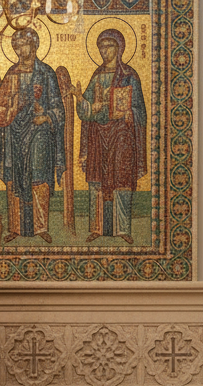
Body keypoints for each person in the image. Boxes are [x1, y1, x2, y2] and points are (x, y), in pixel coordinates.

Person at [0, 27, 66, 244]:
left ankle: (40, 227)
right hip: (14, 134)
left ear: (35, 45)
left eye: (25, 45)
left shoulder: (46, 73)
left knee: (39, 177)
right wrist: (10, 110)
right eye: (17, 46)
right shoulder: (11, 74)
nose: (21, 50)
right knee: (15, 178)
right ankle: (15, 226)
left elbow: (60, 110)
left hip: (40, 134)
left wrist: (46, 116)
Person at [72, 28, 147, 244]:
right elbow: (85, 111)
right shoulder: (97, 76)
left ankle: (122, 228)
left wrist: (129, 112)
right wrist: (80, 99)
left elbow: (140, 109)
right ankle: (97, 227)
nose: (105, 51)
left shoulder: (130, 76)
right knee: (97, 180)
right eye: (101, 48)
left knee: (121, 179)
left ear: (119, 48)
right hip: (98, 135)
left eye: (109, 46)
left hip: (122, 135)